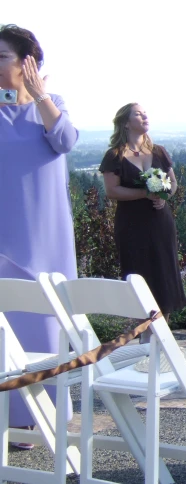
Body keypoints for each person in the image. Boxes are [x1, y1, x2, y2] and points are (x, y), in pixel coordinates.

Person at [0, 24, 77, 448]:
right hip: (3, 230)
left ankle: (41, 417)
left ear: (29, 62)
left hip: (44, 235)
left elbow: (65, 140)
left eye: (1, 57)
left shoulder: (52, 105)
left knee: (44, 325)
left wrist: (39, 95)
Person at [100, 103, 186, 321]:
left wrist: (164, 197)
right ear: (126, 123)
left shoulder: (158, 151)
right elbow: (112, 191)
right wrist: (144, 194)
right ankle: (143, 336)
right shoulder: (115, 155)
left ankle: (163, 334)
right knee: (140, 275)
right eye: (138, 114)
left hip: (160, 222)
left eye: (145, 113)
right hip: (132, 225)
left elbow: (173, 183)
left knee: (163, 276)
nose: (144, 116)